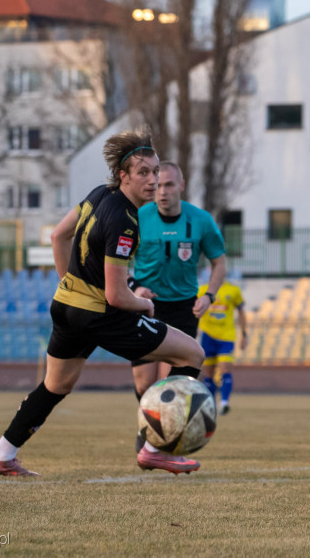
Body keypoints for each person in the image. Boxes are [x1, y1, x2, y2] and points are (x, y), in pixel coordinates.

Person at [0, 131, 206, 477]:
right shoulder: (126, 223)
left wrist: (71, 286)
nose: (153, 179)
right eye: (143, 172)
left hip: (67, 306)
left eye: (155, 171)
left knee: (56, 386)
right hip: (99, 313)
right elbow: (117, 297)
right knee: (191, 354)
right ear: (123, 176)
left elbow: (59, 236)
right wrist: (143, 305)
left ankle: (1, 454)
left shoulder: (99, 195)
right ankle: (154, 449)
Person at [130, 161, 226, 449]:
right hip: (145, 306)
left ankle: (157, 440)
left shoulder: (201, 220)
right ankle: (150, 427)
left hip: (184, 308)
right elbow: (115, 259)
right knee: (143, 384)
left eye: (169, 185)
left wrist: (209, 295)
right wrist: (134, 287)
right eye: (158, 185)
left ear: (181, 186)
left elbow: (219, 262)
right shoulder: (137, 217)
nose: (162, 191)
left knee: (169, 383)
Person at [197, 274, 248, 414]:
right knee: (208, 374)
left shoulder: (233, 290)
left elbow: (241, 312)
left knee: (225, 368)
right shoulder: (202, 290)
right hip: (207, 335)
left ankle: (225, 402)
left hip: (227, 336)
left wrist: (244, 334)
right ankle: (210, 404)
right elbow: (194, 311)